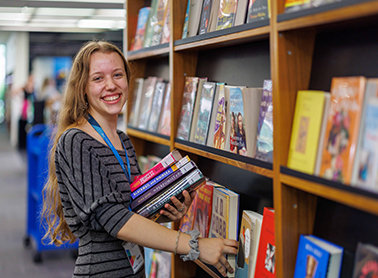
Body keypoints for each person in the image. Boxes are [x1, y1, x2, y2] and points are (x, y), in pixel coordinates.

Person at [42, 40, 238, 278]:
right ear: (82, 87)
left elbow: (132, 211)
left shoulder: (122, 140)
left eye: (117, 75)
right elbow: (114, 219)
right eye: (98, 78)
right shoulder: (77, 141)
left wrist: (165, 212)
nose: (111, 85)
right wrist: (195, 246)